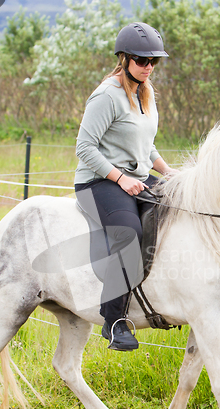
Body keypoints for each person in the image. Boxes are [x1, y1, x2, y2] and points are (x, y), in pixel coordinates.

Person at [75, 22, 175, 352]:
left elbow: (146, 147)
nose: (148, 67)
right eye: (141, 60)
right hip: (98, 180)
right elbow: (85, 148)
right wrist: (120, 178)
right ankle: (114, 320)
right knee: (129, 232)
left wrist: (168, 173)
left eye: (153, 61)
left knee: (176, 208)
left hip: (138, 175)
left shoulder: (146, 94)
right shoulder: (107, 96)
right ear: (124, 59)